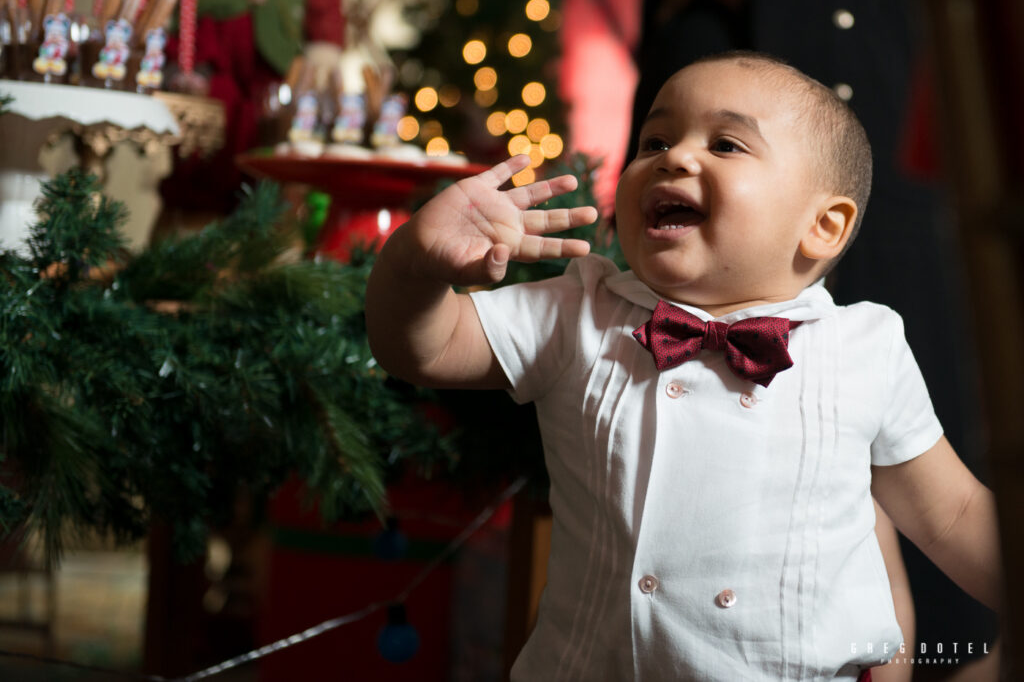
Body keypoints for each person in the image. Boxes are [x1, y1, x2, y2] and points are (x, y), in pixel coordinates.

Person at [365, 52, 1001, 680]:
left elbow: (952, 515)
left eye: (725, 144)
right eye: (655, 140)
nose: (673, 156)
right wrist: (414, 263)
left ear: (823, 227)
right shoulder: (579, 309)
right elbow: (425, 348)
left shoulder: (865, 345)